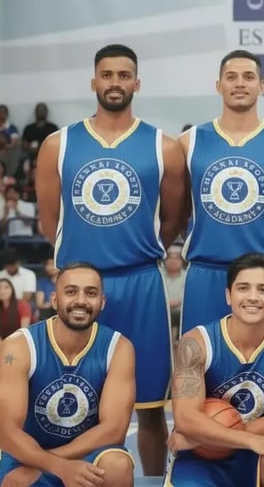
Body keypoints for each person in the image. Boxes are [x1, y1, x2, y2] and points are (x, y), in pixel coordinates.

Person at [35, 43, 188, 475]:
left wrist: (131, 249)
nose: (115, 83)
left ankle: (155, 481)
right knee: (71, 396)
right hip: (80, 287)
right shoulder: (57, 145)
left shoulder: (164, 146)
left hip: (141, 283)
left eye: (124, 75)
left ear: (136, 83)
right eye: (107, 75)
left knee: (152, 404)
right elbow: (51, 223)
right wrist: (84, 265)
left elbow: (173, 220)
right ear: (94, 81)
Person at [179, 50, 264, 332]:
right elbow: (175, 213)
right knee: (196, 365)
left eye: (249, 77)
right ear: (219, 85)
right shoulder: (188, 142)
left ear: (262, 86)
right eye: (231, 77)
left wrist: (262, 247)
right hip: (205, 273)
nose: (240, 83)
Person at [167, 253, 264, 487]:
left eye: (263, 290)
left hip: (260, 443)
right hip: (203, 454)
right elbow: (186, 418)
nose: (253, 297)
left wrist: (206, 436)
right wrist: (229, 437)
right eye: (243, 288)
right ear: (228, 295)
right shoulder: (195, 343)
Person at [0, 262, 136, 486]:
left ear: (102, 303)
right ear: (55, 300)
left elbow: (114, 429)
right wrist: (56, 466)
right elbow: (7, 431)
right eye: (71, 291)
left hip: (87, 453)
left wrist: (59, 463)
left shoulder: (118, 347)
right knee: (14, 482)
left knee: (116, 465)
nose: (81, 300)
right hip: (27, 457)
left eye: (91, 293)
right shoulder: (19, 346)